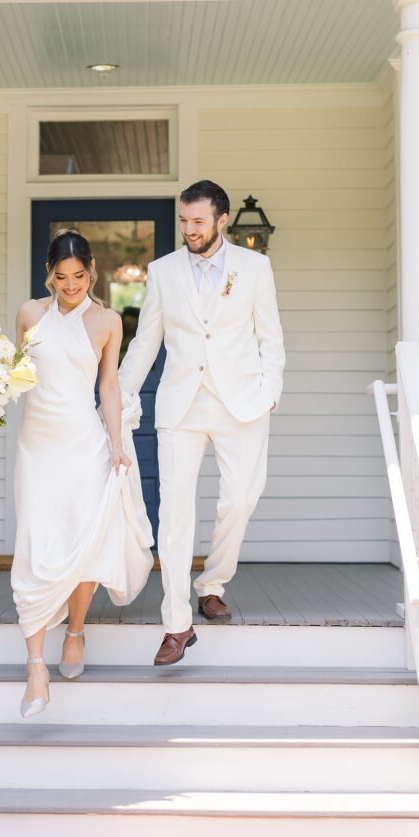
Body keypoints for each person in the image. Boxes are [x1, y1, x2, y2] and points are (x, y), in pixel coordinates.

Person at [119, 180, 285, 666]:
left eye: (197, 221)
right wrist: (120, 396)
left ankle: (211, 582)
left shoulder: (255, 268)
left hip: (243, 402)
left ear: (221, 221)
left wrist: (270, 390)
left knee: (240, 499)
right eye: (184, 221)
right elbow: (145, 343)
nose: (189, 230)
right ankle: (176, 624)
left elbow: (270, 337)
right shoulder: (162, 271)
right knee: (173, 513)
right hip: (181, 405)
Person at [11, 229, 153, 717]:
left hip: (84, 445)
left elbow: (109, 387)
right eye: (60, 276)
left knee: (84, 542)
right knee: (35, 542)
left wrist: (116, 444)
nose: (69, 285)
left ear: (91, 269)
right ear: (48, 273)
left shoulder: (108, 321)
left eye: (78, 275)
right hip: (38, 447)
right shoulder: (30, 314)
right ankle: (35, 668)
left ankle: (74, 632)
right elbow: (18, 374)